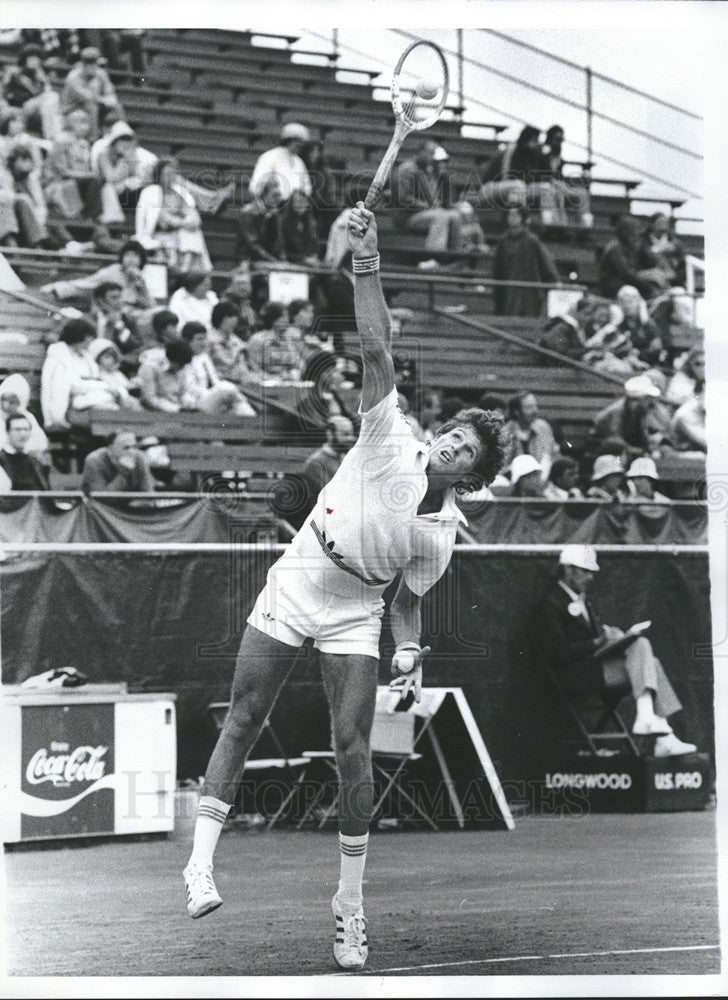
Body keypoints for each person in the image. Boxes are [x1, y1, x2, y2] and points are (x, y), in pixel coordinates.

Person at [181, 201, 507, 972]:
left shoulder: (439, 536)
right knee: (245, 719)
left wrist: (408, 650)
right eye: (455, 430)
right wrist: (365, 258)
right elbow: (373, 342)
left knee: (352, 750)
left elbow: (407, 601)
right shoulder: (388, 429)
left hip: (356, 610)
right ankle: (198, 863)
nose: (453, 442)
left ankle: (349, 905)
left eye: (466, 449)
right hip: (299, 574)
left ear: (473, 476)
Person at [534, 545, 696, 756]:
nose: (590, 577)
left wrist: (611, 636)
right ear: (568, 570)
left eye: (592, 572)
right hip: (577, 677)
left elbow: (589, 635)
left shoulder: (582, 600)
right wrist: (598, 642)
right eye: (585, 571)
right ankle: (657, 730)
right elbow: (557, 652)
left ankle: (656, 729)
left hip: (596, 668)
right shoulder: (550, 604)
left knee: (644, 651)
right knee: (645, 652)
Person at [393, 140, 468, 262]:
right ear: (421, 152)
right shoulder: (406, 169)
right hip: (407, 217)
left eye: (433, 153)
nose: (432, 156)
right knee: (441, 216)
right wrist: (428, 207)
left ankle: (456, 256)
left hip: (426, 213)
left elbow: (436, 199)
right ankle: (433, 257)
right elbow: (404, 199)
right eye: (430, 153)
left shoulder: (429, 171)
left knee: (455, 215)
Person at [135, 157, 212, 272]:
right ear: (159, 175)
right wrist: (180, 222)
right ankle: (173, 263)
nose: (169, 177)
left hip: (178, 232)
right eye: (166, 174)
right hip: (159, 233)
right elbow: (161, 219)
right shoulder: (150, 192)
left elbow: (194, 218)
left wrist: (181, 223)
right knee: (181, 233)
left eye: (172, 174)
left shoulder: (180, 192)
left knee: (191, 233)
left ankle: (185, 267)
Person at [40, 317, 114, 432]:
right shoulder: (59, 357)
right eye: (89, 339)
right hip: (71, 408)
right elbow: (73, 386)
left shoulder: (86, 356)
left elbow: (96, 378)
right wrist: (106, 386)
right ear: (82, 337)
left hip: (91, 400)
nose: (90, 343)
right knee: (109, 414)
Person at [42, 240, 154, 317]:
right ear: (122, 257)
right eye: (128, 255)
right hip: (111, 314)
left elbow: (150, 306)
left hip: (134, 316)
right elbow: (86, 283)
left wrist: (141, 287)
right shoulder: (112, 272)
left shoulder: (143, 277)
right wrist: (57, 288)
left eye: (135, 256)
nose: (131, 259)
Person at [492, 206, 559, 317]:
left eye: (515, 215)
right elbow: (497, 269)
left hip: (529, 292)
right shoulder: (503, 241)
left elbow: (546, 264)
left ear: (522, 217)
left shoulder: (532, 240)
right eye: (510, 215)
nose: (512, 218)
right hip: (508, 291)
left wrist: (554, 280)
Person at [179, 322, 256, 417]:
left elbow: (214, 381)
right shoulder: (182, 359)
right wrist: (216, 393)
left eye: (204, 339)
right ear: (188, 341)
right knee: (226, 387)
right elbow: (189, 388)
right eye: (199, 339)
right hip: (195, 404)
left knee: (240, 408)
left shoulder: (204, 357)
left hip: (212, 401)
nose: (203, 343)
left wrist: (219, 396)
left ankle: (252, 418)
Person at [43, 108, 103, 223]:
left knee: (96, 181)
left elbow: (84, 168)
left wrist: (87, 175)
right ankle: (90, 218)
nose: (85, 127)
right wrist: (87, 175)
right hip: (57, 181)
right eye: (81, 122)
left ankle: (92, 218)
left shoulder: (83, 143)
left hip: (78, 179)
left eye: (86, 122)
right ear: (71, 123)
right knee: (92, 180)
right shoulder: (62, 140)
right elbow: (61, 171)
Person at [598, 216, 669, 300]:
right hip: (614, 287)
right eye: (634, 234)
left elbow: (635, 272)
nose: (637, 238)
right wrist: (650, 289)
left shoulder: (628, 248)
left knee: (654, 279)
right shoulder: (615, 249)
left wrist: (651, 274)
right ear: (626, 234)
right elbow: (627, 275)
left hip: (625, 284)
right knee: (637, 290)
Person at [536, 125, 593, 228]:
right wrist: (553, 182)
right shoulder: (542, 152)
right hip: (546, 187)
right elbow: (538, 174)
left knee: (582, 193)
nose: (558, 141)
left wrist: (561, 182)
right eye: (556, 138)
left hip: (559, 186)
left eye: (560, 139)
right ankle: (557, 226)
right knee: (556, 192)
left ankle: (586, 228)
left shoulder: (558, 156)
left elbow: (559, 176)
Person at [60, 46, 122, 139]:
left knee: (117, 106)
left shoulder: (101, 73)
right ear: (82, 64)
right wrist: (105, 100)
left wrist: (111, 100)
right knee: (92, 106)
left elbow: (110, 93)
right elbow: (88, 97)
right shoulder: (73, 77)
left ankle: (120, 136)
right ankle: (93, 140)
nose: (91, 66)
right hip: (72, 110)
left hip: (95, 105)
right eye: (88, 63)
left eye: (93, 62)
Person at [300, 414, 356, 507]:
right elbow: (333, 497)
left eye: (351, 434)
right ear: (330, 434)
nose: (351, 439)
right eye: (345, 434)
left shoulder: (347, 458)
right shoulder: (316, 463)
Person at [249, 122, 312, 203]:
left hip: (292, 207)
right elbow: (256, 184)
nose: (300, 147)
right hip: (272, 204)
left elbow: (307, 187)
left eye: (302, 145)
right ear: (289, 141)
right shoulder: (270, 156)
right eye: (297, 143)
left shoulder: (299, 162)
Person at [503, 390, 559, 480]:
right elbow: (502, 466)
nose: (535, 411)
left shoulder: (543, 427)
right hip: (514, 482)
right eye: (529, 407)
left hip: (543, 480)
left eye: (535, 406)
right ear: (516, 411)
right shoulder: (506, 432)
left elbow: (551, 456)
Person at [0, 373, 49, 459]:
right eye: (4, 399)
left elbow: (41, 443)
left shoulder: (26, 417)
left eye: (13, 401)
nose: (7, 404)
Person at [245, 302, 304, 381]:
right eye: (284, 316)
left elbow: (297, 363)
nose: (287, 320)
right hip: (265, 383)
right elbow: (254, 369)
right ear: (274, 319)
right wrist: (275, 379)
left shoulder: (287, 340)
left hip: (288, 382)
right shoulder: (257, 340)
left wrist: (293, 374)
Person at [81, 431, 155, 494]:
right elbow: (101, 499)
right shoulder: (94, 460)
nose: (132, 452)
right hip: (100, 508)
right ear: (110, 449)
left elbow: (148, 493)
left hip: (132, 507)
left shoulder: (139, 457)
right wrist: (123, 473)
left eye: (134, 447)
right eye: (126, 448)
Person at [0, 414, 52, 491]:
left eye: (26, 429)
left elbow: (45, 493)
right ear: (7, 432)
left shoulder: (35, 461)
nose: (22, 434)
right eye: (17, 430)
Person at [235, 177, 283, 264]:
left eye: (279, 195)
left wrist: (280, 260)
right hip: (248, 259)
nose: (278, 199)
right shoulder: (247, 213)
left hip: (270, 260)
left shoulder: (276, 214)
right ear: (264, 195)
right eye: (274, 195)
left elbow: (279, 241)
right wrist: (272, 260)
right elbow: (252, 244)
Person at [88, 339, 142, 410]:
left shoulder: (117, 374)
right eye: (107, 357)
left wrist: (134, 384)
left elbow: (125, 385)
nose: (111, 360)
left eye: (113, 357)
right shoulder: (97, 375)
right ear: (97, 359)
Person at [637, 212, 686, 289]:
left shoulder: (676, 244)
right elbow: (639, 265)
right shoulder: (643, 243)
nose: (663, 226)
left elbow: (682, 267)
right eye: (659, 223)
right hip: (651, 282)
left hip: (673, 282)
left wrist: (673, 276)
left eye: (665, 223)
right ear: (652, 224)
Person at [208, 302, 252, 384]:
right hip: (218, 381)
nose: (233, 321)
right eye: (229, 317)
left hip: (239, 380)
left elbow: (243, 365)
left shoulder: (237, 342)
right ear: (220, 318)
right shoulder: (208, 341)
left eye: (235, 317)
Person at [277, 189, 320, 264]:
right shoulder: (282, 222)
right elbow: (282, 251)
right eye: (298, 201)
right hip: (289, 264)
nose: (302, 205)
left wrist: (313, 257)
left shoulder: (311, 223)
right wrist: (303, 259)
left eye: (304, 202)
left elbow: (314, 247)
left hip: (309, 265)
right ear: (291, 204)